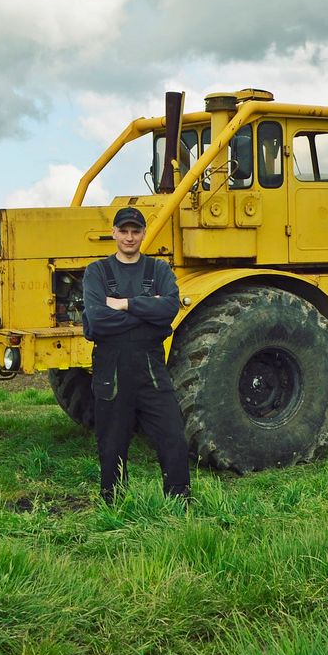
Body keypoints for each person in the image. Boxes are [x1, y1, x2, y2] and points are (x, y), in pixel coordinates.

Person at [82, 206, 191, 505]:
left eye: (135, 231)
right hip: (111, 369)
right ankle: (113, 504)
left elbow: (169, 310)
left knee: (173, 436)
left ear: (143, 234)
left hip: (151, 368)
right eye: (124, 231)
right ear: (114, 233)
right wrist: (147, 312)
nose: (129, 237)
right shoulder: (97, 272)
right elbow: (97, 320)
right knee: (112, 442)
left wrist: (124, 304)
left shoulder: (159, 270)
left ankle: (179, 502)